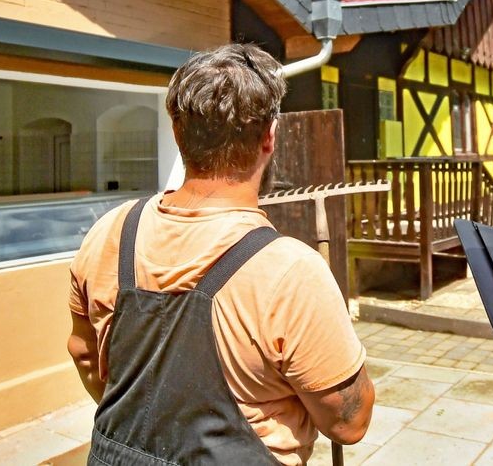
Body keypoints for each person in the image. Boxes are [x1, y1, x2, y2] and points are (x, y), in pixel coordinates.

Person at [67, 44, 374, 465]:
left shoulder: (110, 231)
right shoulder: (290, 270)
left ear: (177, 133)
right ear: (270, 137)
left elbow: (85, 354)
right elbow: (347, 422)